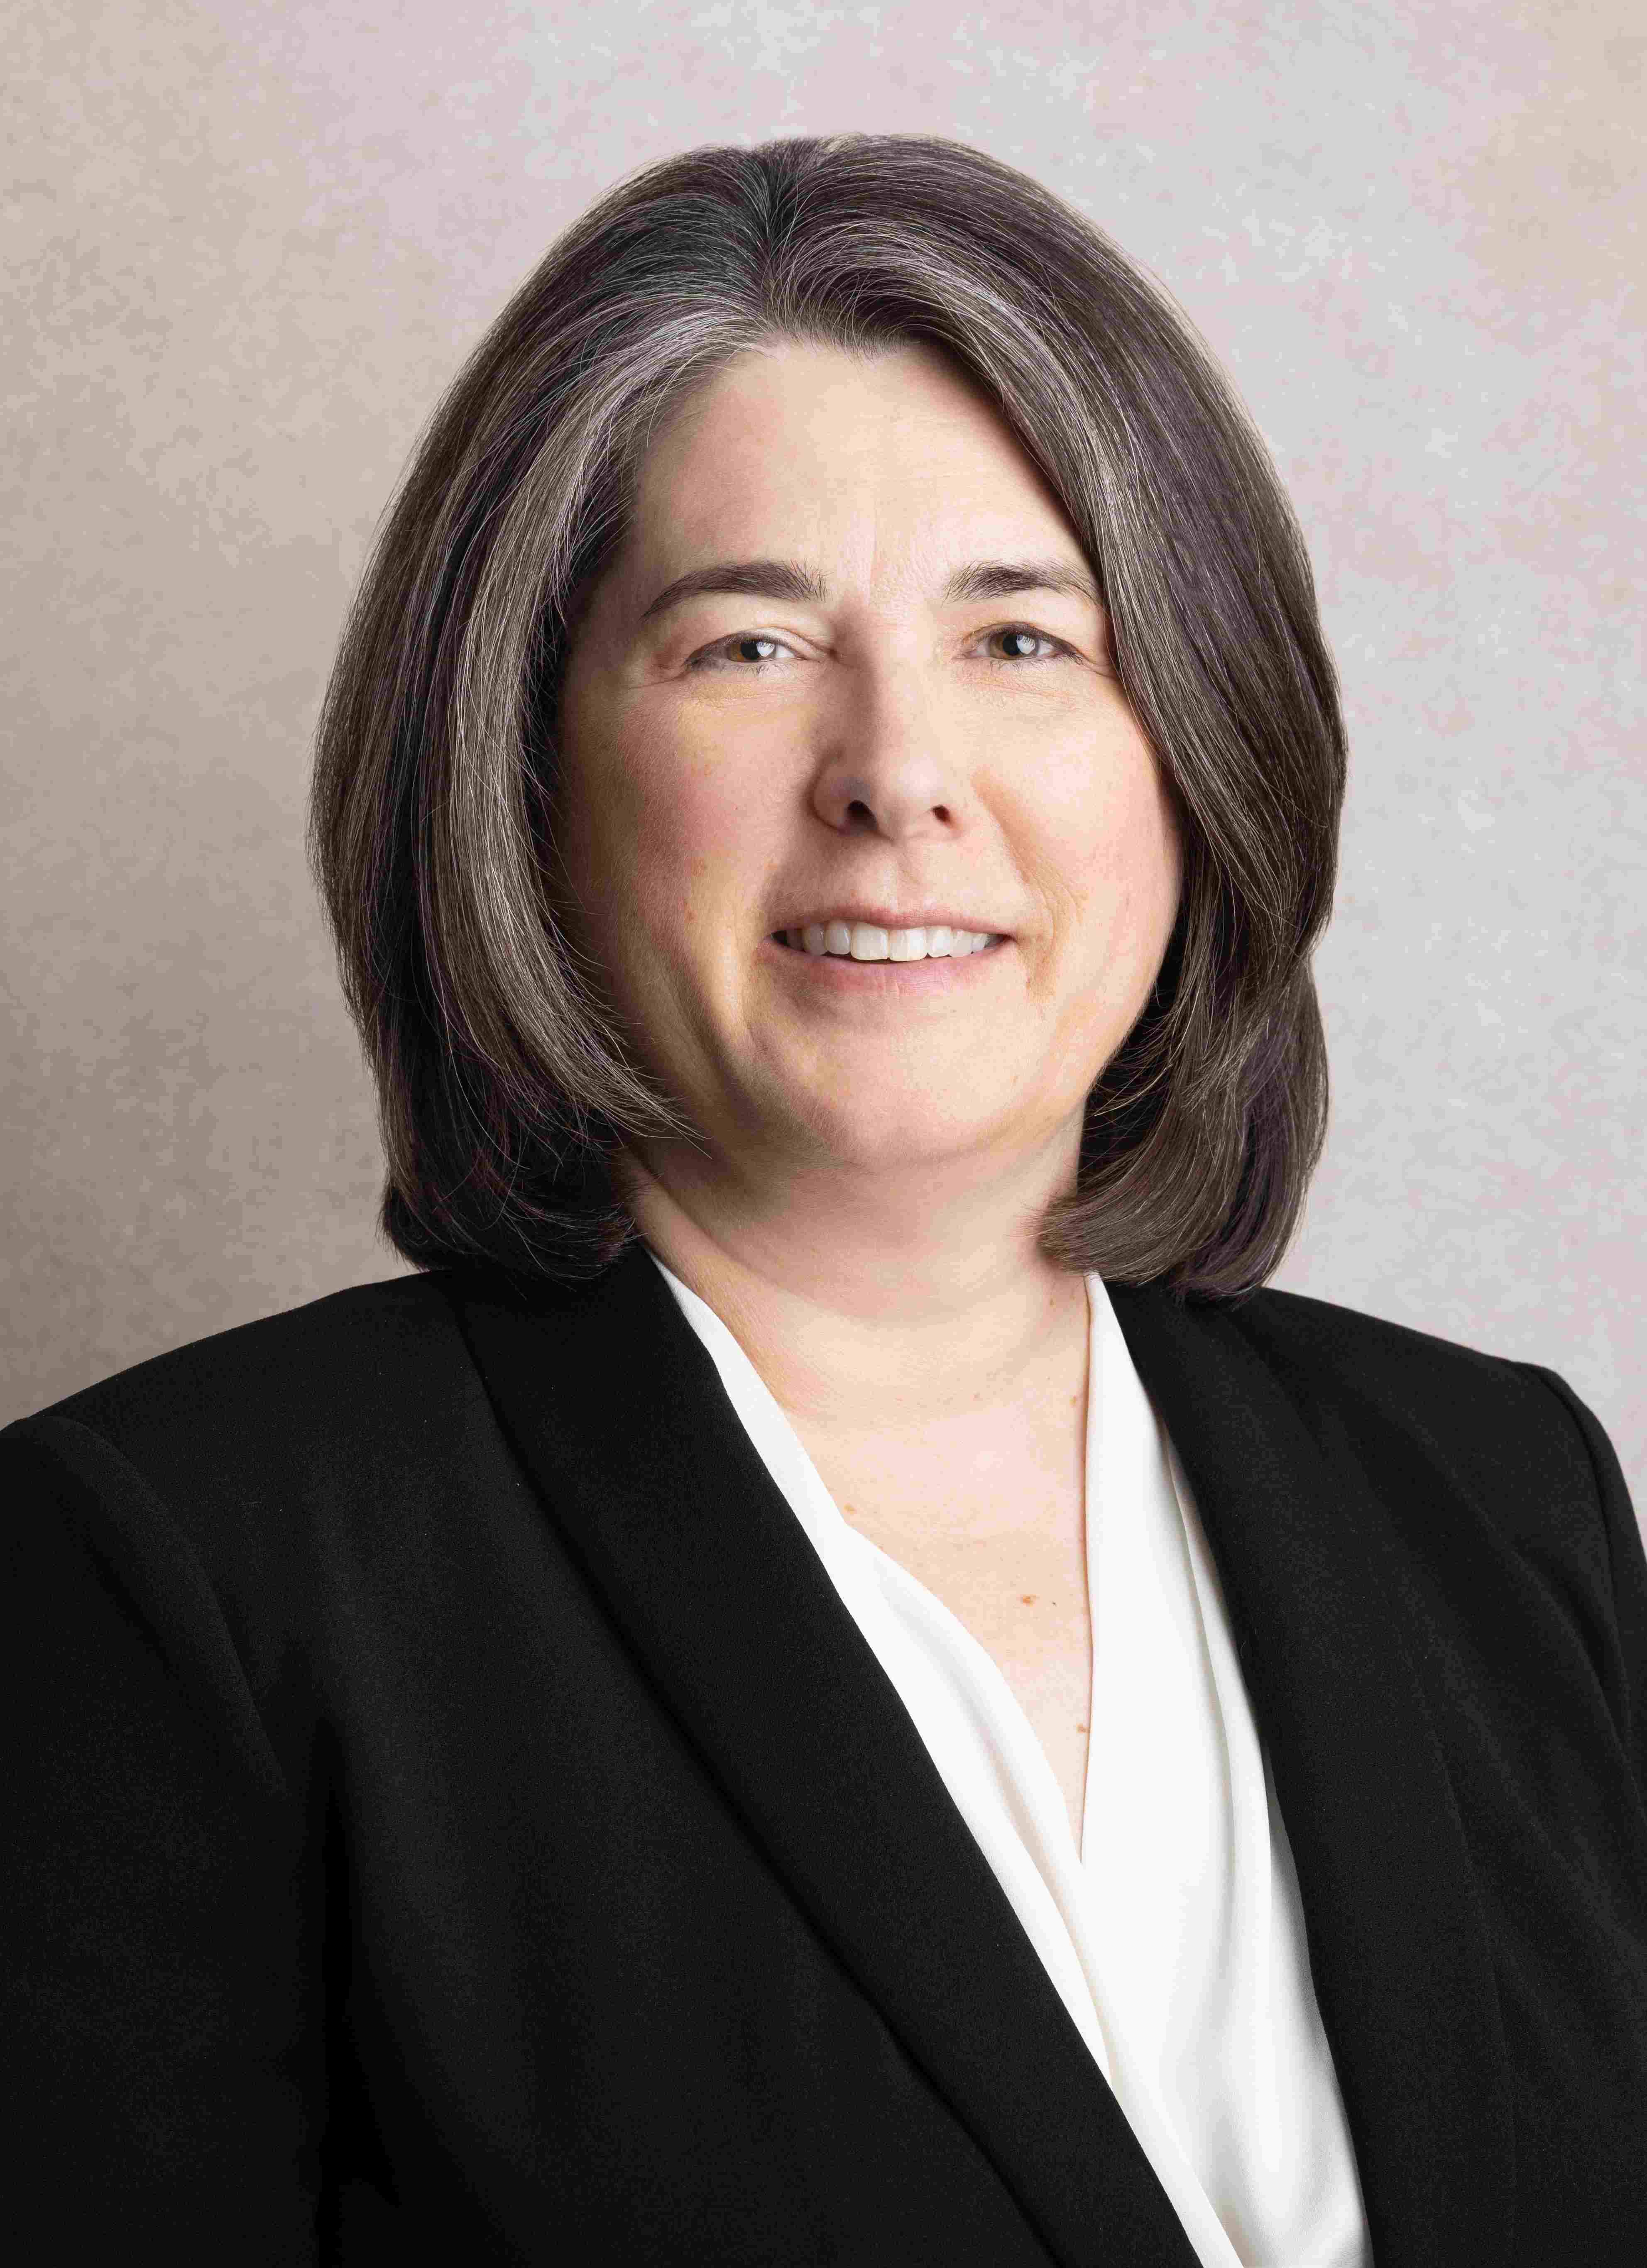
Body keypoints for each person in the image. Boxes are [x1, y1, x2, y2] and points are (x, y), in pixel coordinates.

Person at [4, 132, 1643, 2268]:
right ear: (524, 769)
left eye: (1023, 640)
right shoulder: (174, 1580)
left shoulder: (1500, 1496)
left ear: (1200, 754)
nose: (896, 773)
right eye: (749, 647)